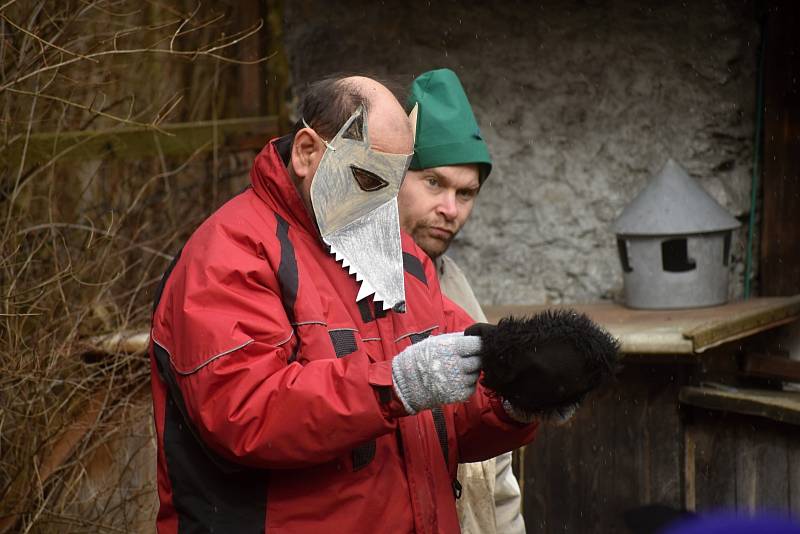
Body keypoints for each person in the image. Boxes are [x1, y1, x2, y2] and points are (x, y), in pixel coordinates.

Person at [148, 75, 540, 533]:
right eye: (366, 178)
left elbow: (449, 420)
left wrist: (517, 397)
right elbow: (243, 414)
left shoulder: (400, 257)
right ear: (307, 152)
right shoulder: (229, 254)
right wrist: (392, 387)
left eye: (391, 185)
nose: (380, 204)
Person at [399, 68, 525, 534]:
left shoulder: (458, 292)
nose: (451, 210)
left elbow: (498, 473)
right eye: (434, 182)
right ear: (394, 176)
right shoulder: (351, 289)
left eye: (466, 193)